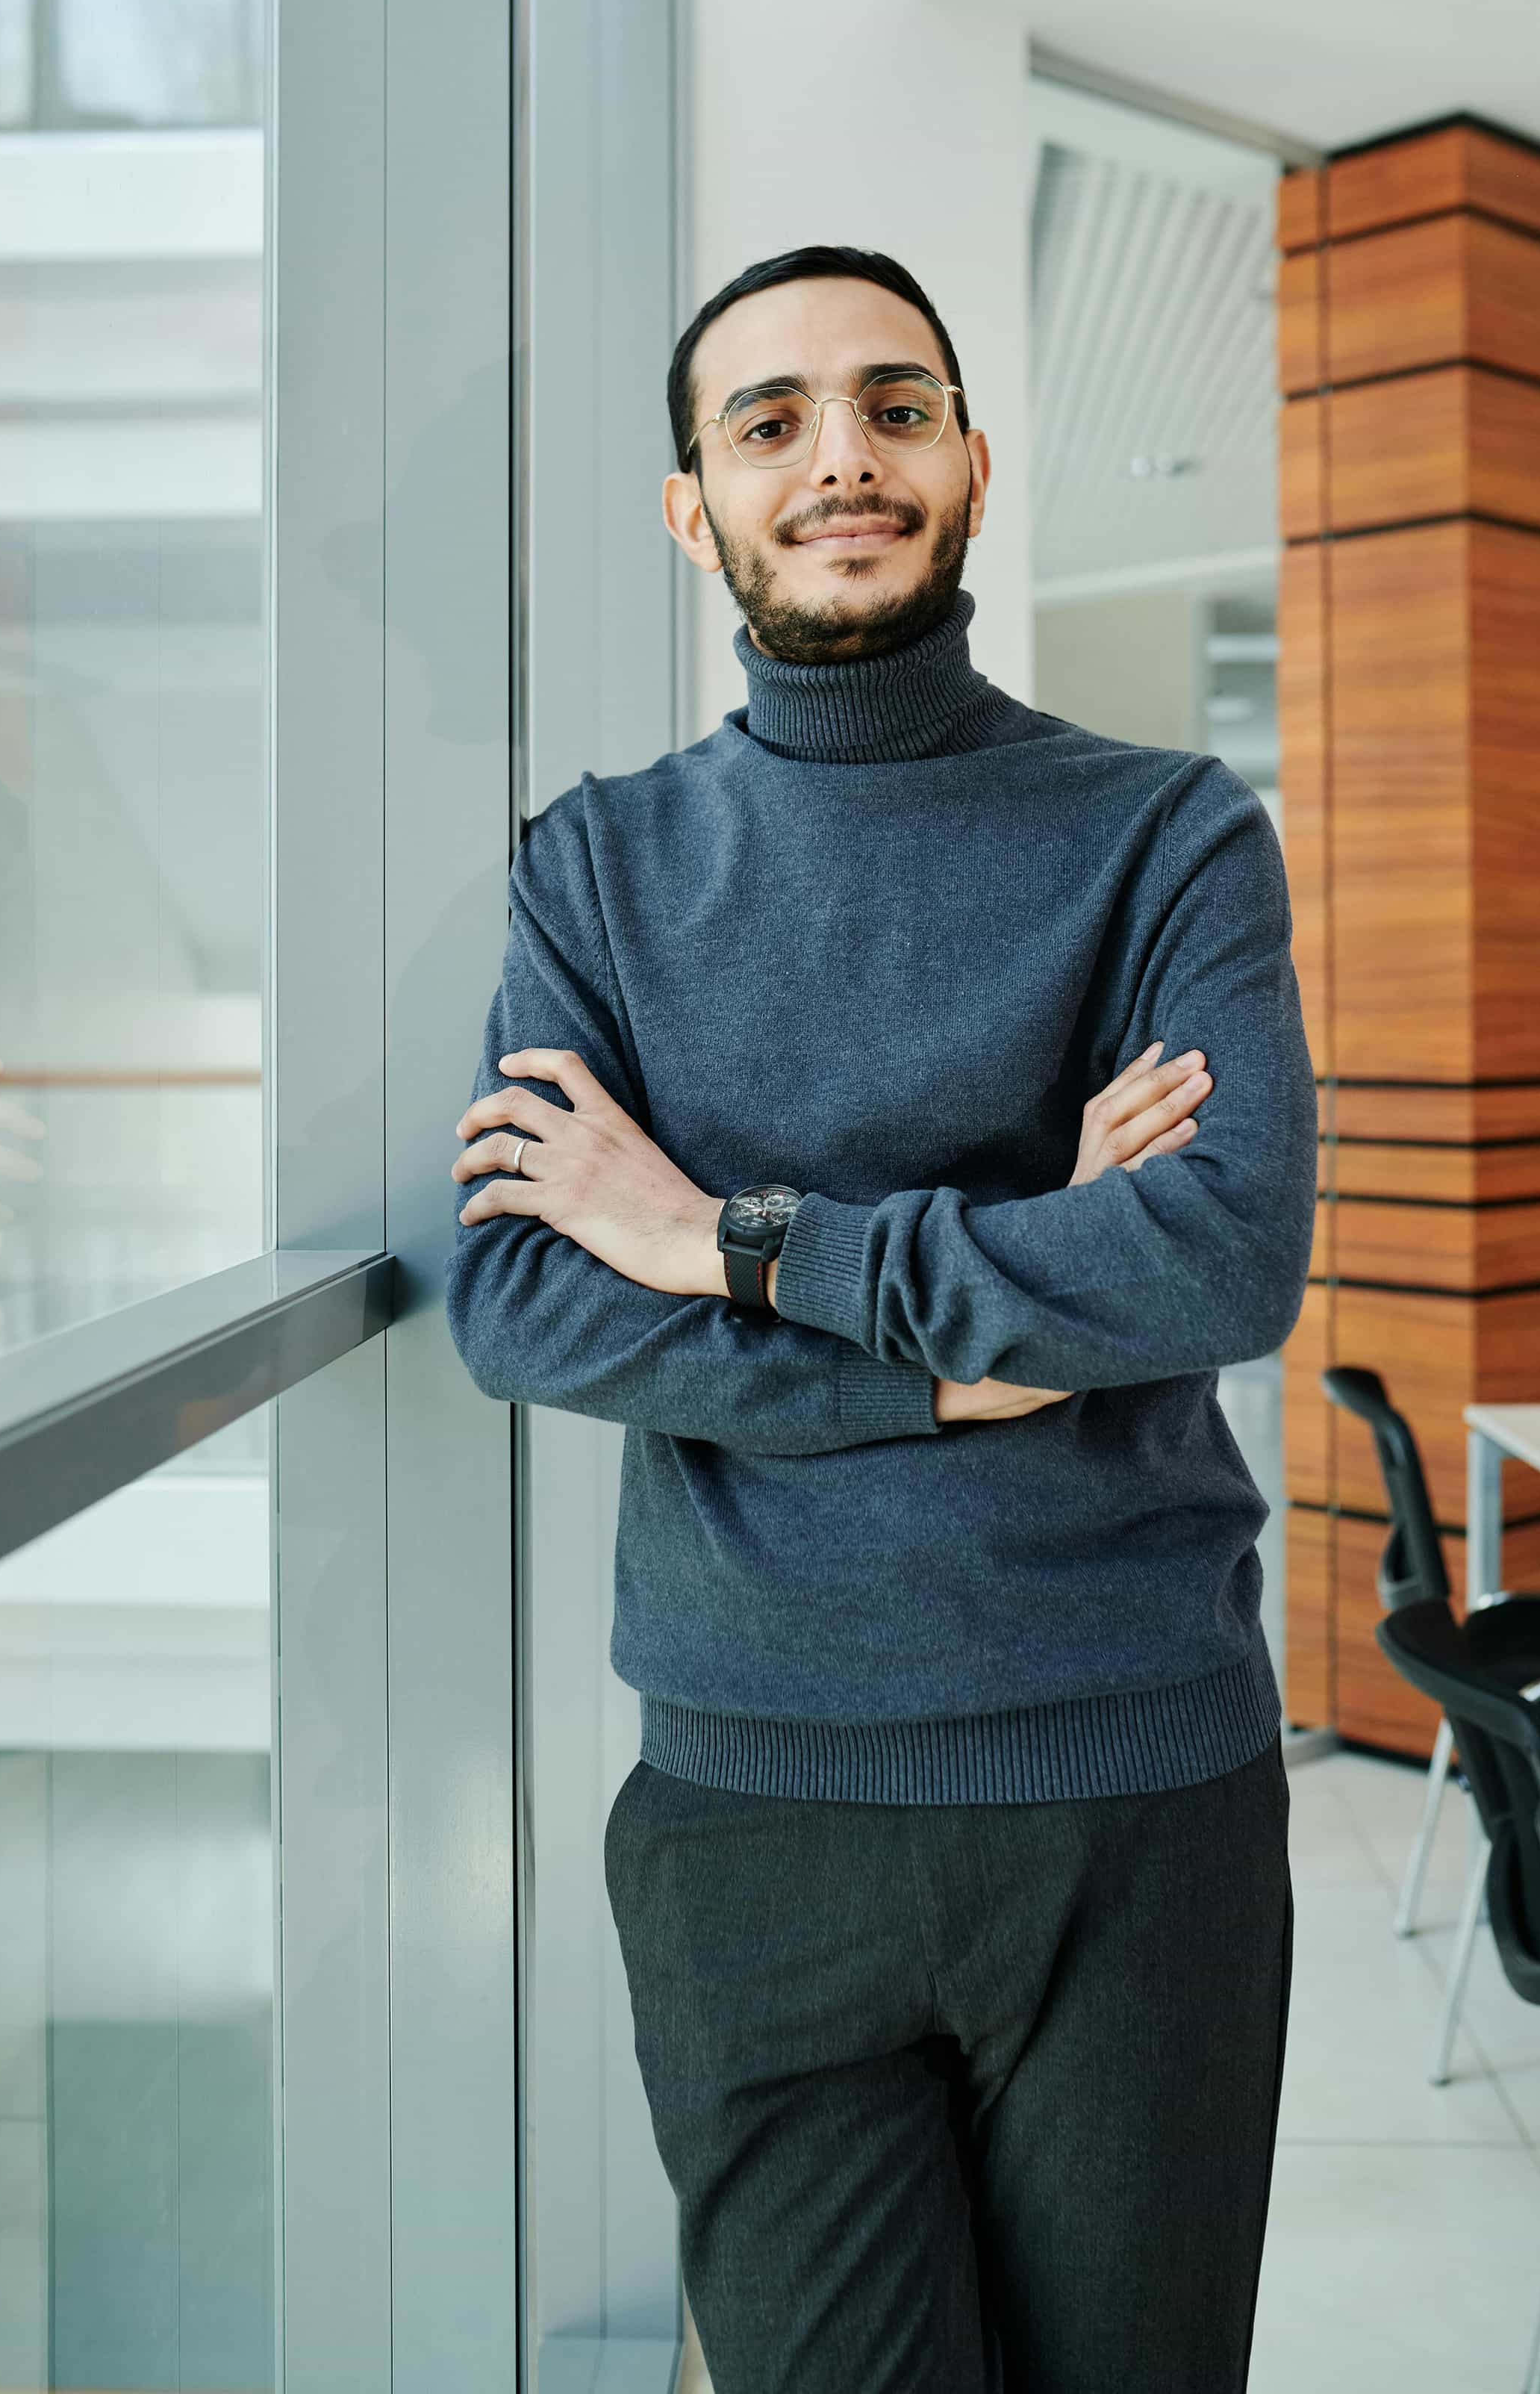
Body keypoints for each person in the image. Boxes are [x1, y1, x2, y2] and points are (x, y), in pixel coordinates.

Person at [445, 245, 1318, 2393]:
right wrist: (1016, 1305)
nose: (841, 454)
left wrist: (733, 1240)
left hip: (1139, 1800)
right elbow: (524, 1298)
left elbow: (1218, 1261)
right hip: (753, 1817)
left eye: (894, 405)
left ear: (970, 462)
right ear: (694, 506)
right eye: (772, 421)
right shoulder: (599, 869)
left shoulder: (1169, 835)